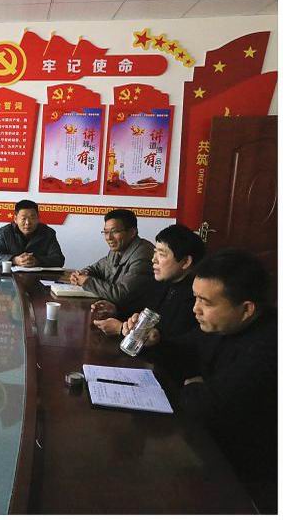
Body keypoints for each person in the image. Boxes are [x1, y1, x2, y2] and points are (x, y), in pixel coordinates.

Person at [132, 249, 276, 513]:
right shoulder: (223, 324)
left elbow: (206, 407)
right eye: (195, 298)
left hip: (243, 473)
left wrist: (194, 386)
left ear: (246, 309)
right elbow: (185, 351)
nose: (195, 309)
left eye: (205, 302)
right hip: (205, 443)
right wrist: (156, 342)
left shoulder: (268, 348)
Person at [91, 224, 204, 337]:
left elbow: (170, 339)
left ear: (185, 261)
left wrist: (121, 329)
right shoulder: (162, 283)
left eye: (161, 254)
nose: (153, 259)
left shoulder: (196, 298)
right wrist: (116, 311)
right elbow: (143, 313)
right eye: (155, 252)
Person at [69, 208, 153, 310]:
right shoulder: (117, 250)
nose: (109, 237)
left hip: (133, 316)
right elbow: (96, 269)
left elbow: (122, 294)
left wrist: (87, 281)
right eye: (106, 232)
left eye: (114, 232)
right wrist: (82, 274)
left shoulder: (143, 255)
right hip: (114, 310)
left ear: (132, 232)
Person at [0, 199, 65, 268]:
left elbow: (59, 260)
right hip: (12, 276)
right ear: (15, 219)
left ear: (38, 218)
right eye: (23, 218)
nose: (28, 223)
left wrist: (37, 261)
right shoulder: (6, 232)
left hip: (40, 277)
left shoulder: (48, 233)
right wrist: (14, 260)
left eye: (32, 218)